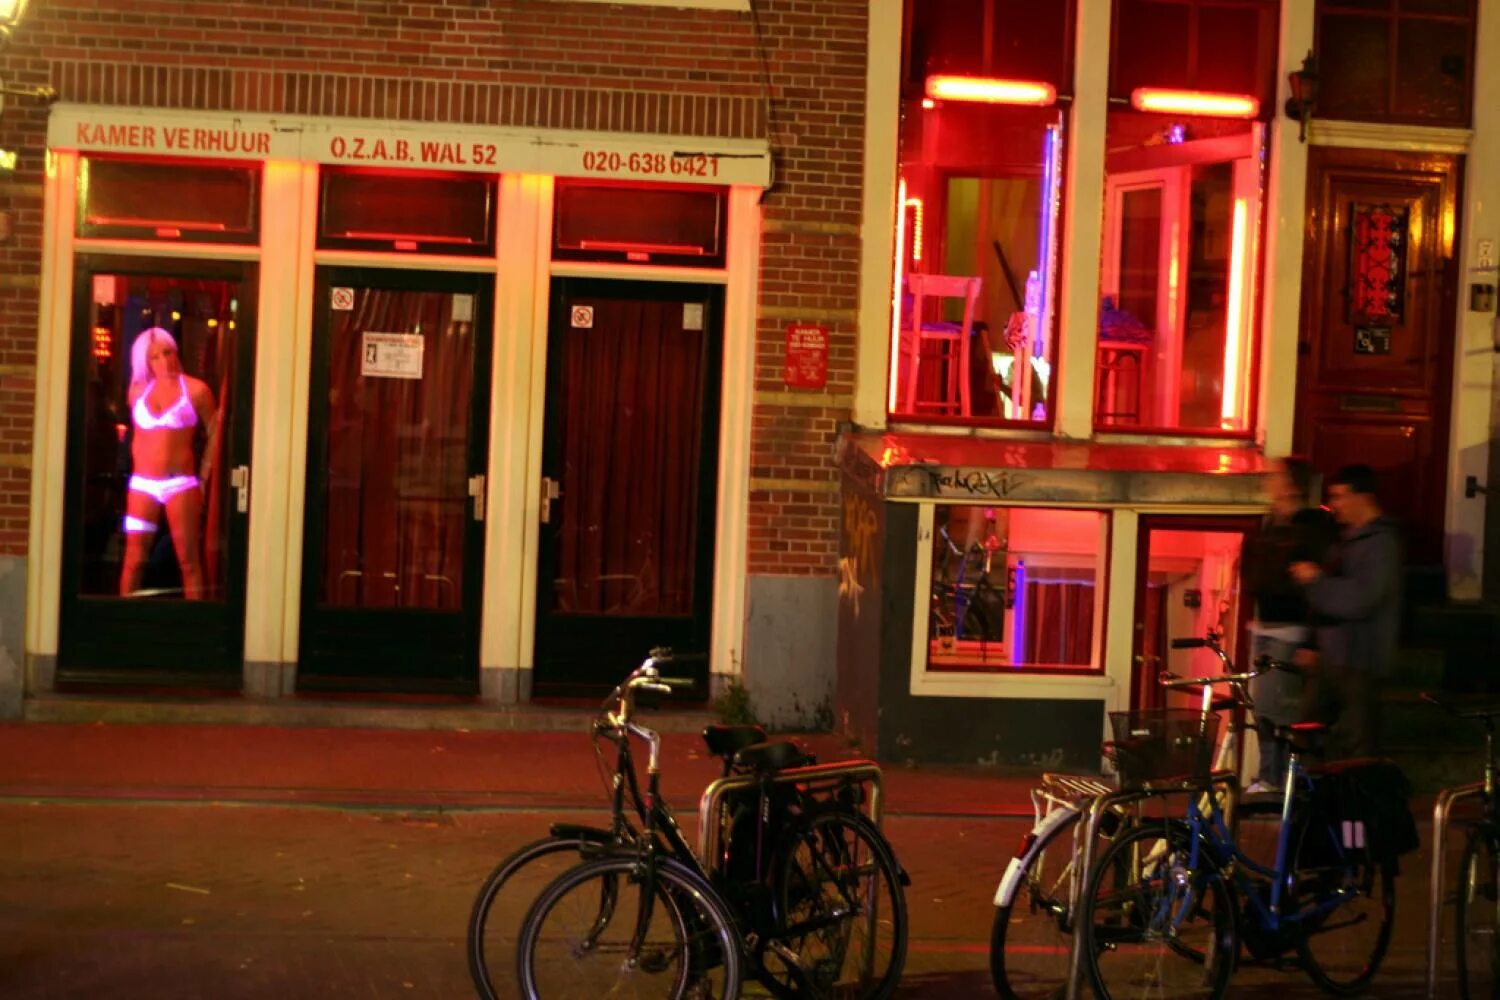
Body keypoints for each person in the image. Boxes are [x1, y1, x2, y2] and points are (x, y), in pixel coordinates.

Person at [1291, 464, 1402, 758]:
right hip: (1331, 656)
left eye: (1339, 497)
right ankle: (1309, 783)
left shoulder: (1382, 544)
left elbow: (1362, 599)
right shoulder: (1344, 541)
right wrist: (1311, 643)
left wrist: (1316, 580)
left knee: (1358, 742)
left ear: (1362, 497)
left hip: (1361, 660)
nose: (1333, 505)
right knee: (1306, 732)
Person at [1242, 457, 1336, 794]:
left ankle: (1277, 779)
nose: (1268, 481)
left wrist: (1311, 641)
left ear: (1291, 485)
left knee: (1277, 707)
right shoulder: (1270, 525)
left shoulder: (1310, 529)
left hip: (1290, 628)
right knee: (1264, 708)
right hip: (1266, 626)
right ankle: (1272, 775)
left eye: (1275, 476)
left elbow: (1317, 586)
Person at [120, 327, 218, 600]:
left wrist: (204, 475)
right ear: (145, 362)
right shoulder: (137, 392)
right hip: (142, 485)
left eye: (168, 352)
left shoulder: (197, 390)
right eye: (155, 357)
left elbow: (215, 433)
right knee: (134, 559)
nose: (164, 361)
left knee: (189, 561)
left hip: (180, 484)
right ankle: (122, 619)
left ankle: (196, 621)